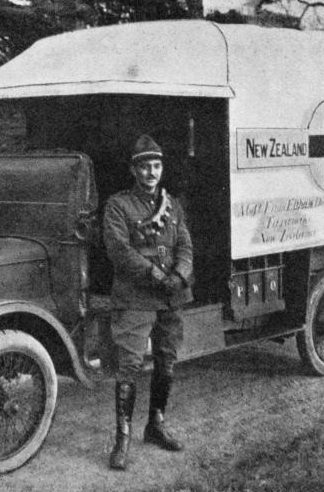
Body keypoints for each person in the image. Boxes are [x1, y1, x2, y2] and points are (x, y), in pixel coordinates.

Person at [102, 134, 194, 470]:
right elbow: (119, 251)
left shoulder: (173, 205)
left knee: (166, 360)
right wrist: (156, 276)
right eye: (144, 166)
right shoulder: (118, 205)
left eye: (156, 166)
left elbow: (185, 244)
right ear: (133, 170)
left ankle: (156, 424)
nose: (151, 172)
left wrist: (180, 275)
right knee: (129, 366)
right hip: (136, 296)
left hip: (171, 295)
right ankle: (122, 439)